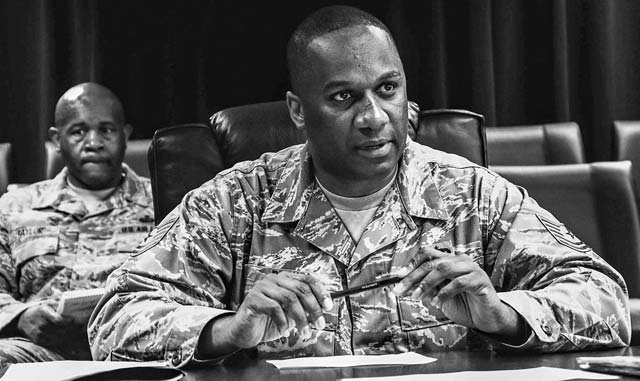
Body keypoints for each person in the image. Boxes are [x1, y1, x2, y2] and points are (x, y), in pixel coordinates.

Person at [89, 6, 629, 367]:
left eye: (388, 89)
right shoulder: (236, 203)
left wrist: (505, 315)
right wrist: (226, 329)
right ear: (299, 111)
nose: (374, 117)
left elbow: (606, 300)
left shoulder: (472, 194)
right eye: (344, 98)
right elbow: (113, 319)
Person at [0, 82, 154, 366]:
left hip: (140, 347)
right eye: (78, 131)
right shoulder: (14, 207)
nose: (94, 142)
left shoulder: (167, 204)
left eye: (106, 130)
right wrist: (21, 317)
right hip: (42, 352)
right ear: (57, 139)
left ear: (125, 136)